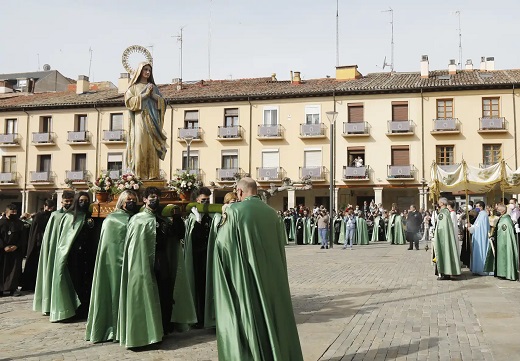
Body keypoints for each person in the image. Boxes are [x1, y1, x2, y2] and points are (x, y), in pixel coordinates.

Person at [214, 177, 303, 360]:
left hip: (246, 275)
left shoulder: (234, 212)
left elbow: (223, 246)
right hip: (272, 278)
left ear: (239, 192)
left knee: (250, 316)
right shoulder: (273, 213)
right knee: (272, 315)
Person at [118, 187, 183, 347]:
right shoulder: (137, 220)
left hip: (161, 262)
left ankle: (161, 329)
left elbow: (177, 234)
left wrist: (177, 219)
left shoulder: (161, 219)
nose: (155, 200)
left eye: (157, 197)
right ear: (145, 199)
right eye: (152, 197)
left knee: (164, 296)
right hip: (143, 264)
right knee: (146, 296)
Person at [86, 190, 138, 343]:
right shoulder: (112, 219)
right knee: (114, 292)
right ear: (122, 201)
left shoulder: (135, 217)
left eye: (134, 199)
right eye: (129, 199)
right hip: (114, 264)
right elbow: (109, 246)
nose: (131, 202)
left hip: (132, 263)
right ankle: (112, 328)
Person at [50, 191, 97, 321]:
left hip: (87, 256)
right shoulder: (70, 217)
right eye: (81, 200)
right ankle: (73, 310)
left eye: (86, 201)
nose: (84, 203)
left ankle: (85, 308)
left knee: (86, 283)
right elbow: (65, 240)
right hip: (73, 257)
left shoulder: (90, 216)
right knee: (75, 282)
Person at [33, 191, 74, 314]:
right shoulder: (55, 216)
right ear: (61, 202)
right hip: (56, 251)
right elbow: (50, 236)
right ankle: (50, 304)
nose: (69, 203)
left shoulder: (76, 214)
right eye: (67, 201)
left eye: (71, 201)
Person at [124, 62, 167, 180]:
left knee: (152, 146)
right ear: (139, 71)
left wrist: (153, 96)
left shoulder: (154, 88)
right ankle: (139, 175)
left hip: (153, 121)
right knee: (140, 145)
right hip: (140, 120)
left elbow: (162, 103)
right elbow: (129, 103)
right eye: (145, 69)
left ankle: (153, 175)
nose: (148, 72)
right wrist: (144, 95)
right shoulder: (132, 88)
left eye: (149, 70)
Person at [184, 186, 216, 328]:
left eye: (208, 200)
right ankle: (198, 317)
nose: (206, 203)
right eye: (203, 200)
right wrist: (198, 221)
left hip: (208, 256)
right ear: (197, 200)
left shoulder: (210, 216)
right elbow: (193, 239)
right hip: (197, 257)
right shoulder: (192, 217)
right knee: (198, 287)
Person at [21, 199, 55, 292]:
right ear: (44, 206)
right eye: (48, 207)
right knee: (33, 263)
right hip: (37, 243)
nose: (50, 209)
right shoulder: (39, 216)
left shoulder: (51, 215)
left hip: (46, 242)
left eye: (51, 208)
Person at [484, 203, 519, 280]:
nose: (496, 211)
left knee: (504, 257)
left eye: (498, 210)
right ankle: (501, 272)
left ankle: (505, 273)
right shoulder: (502, 219)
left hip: (504, 244)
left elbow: (505, 233)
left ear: (502, 211)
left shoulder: (506, 220)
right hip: (500, 243)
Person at [0, 204, 25, 296]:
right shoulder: (1, 223)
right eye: (12, 212)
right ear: (7, 212)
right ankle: (1, 289)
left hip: (15, 250)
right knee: (2, 270)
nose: (14, 213)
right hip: (3, 251)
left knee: (14, 270)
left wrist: (16, 246)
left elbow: (22, 237)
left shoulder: (19, 223)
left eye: (15, 212)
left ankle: (12, 289)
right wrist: (4, 246)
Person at [433, 198, 461, 280]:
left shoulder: (443, 213)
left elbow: (441, 227)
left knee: (444, 253)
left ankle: (445, 272)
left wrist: (436, 233)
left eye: (439, 202)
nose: (438, 203)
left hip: (443, 237)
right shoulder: (446, 212)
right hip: (445, 236)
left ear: (441, 203)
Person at [468, 201, 491, 275]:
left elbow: (479, 227)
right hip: (478, 236)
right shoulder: (480, 214)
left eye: (477, 206)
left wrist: (471, 227)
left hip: (481, 237)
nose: (476, 208)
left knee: (480, 251)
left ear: (481, 207)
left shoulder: (483, 214)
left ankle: (480, 269)